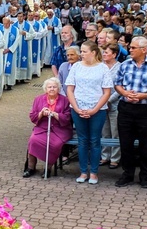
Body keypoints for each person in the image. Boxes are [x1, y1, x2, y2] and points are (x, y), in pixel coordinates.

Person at [113, 36, 147, 189]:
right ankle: (127, 174)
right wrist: (124, 93)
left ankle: (145, 176)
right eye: (130, 48)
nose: (129, 50)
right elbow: (117, 84)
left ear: (144, 50)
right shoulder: (125, 65)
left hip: (146, 109)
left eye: (133, 48)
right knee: (126, 143)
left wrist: (146, 95)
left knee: (146, 144)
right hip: (126, 108)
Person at [66, 41, 113, 184]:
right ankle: (83, 172)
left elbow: (107, 92)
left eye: (84, 51)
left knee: (94, 140)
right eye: (81, 51)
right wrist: (76, 107)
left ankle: (93, 172)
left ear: (93, 53)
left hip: (97, 109)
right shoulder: (76, 67)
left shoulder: (103, 68)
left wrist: (94, 109)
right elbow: (69, 88)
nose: (82, 54)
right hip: (78, 107)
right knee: (82, 140)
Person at [23, 77, 73, 178]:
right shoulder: (38, 99)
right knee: (33, 140)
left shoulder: (65, 100)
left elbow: (68, 117)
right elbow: (32, 116)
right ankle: (31, 167)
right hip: (42, 128)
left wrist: (55, 114)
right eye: (49, 87)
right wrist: (41, 113)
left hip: (60, 129)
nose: (52, 89)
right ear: (46, 89)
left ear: (58, 89)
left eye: (54, 87)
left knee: (55, 144)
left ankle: (48, 168)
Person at [100, 43, 122, 169]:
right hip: (101, 103)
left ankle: (115, 158)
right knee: (104, 131)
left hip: (115, 103)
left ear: (114, 54)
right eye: (103, 52)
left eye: (106, 52)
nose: (104, 55)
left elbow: (119, 87)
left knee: (115, 132)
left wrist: (108, 100)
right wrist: (102, 101)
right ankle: (104, 156)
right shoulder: (100, 66)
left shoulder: (120, 67)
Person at [14, 12, 35, 83]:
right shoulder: (14, 25)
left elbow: (33, 35)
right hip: (16, 47)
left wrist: (26, 33)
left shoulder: (28, 25)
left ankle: (23, 77)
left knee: (24, 60)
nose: (20, 18)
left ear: (24, 17)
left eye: (21, 16)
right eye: (18, 16)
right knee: (16, 61)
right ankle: (16, 77)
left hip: (25, 46)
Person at [1, 17, 20, 90]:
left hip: (11, 51)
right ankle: (3, 83)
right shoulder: (0, 29)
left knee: (11, 67)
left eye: (6, 23)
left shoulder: (15, 30)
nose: (5, 25)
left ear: (9, 22)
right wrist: (1, 49)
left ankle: (10, 83)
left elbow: (17, 41)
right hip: (2, 52)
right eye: (4, 23)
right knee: (2, 68)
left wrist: (9, 49)